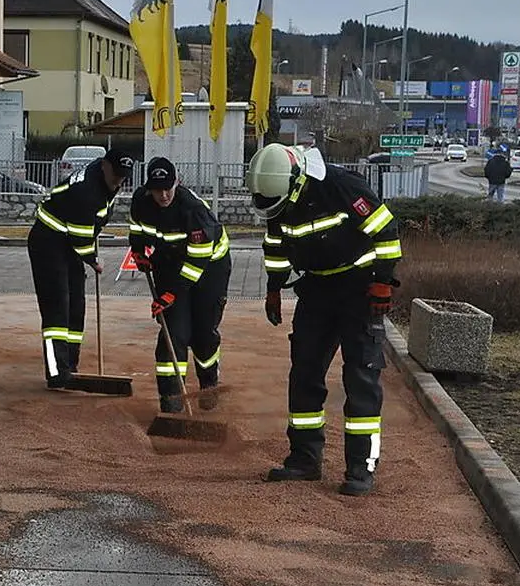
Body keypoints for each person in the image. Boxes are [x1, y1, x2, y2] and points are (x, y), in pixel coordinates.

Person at [248, 142, 402, 497]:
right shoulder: (279, 199)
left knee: (361, 379)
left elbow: (387, 233)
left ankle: (361, 467)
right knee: (304, 372)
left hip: (359, 288)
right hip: (316, 289)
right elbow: (275, 245)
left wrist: (382, 281)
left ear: (296, 180)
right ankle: (304, 459)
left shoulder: (342, 187)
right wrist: (274, 286)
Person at [128, 158, 232, 413]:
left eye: (168, 189)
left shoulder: (193, 210)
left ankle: (208, 386)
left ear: (177, 183)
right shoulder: (141, 202)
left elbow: (197, 262)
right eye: (156, 190)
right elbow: (137, 227)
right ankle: (171, 401)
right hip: (169, 263)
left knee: (203, 334)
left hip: (209, 269)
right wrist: (138, 250)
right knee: (173, 333)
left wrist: (171, 294)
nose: (162, 195)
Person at [27, 148, 134, 389]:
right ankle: (57, 373)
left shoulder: (107, 180)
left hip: (67, 242)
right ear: (104, 165)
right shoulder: (86, 191)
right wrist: (94, 260)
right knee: (57, 307)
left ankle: (70, 366)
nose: (119, 180)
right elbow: (81, 238)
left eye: (123, 176)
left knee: (77, 305)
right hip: (48, 241)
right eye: (116, 174)